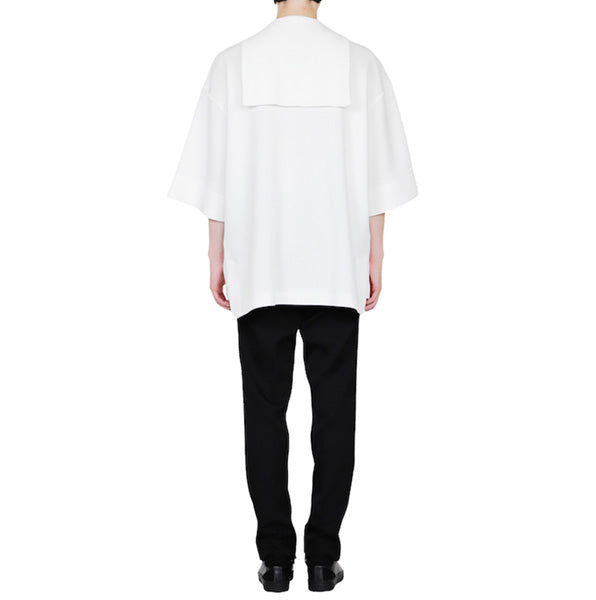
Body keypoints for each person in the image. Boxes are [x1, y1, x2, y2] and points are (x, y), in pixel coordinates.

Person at [168, 0, 417, 592]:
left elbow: (215, 178)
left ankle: (276, 559)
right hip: (335, 265)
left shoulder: (232, 63)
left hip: (261, 266)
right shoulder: (360, 63)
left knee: (263, 416)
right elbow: (380, 175)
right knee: (335, 417)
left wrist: (216, 254)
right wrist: (375, 253)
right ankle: (323, 558)